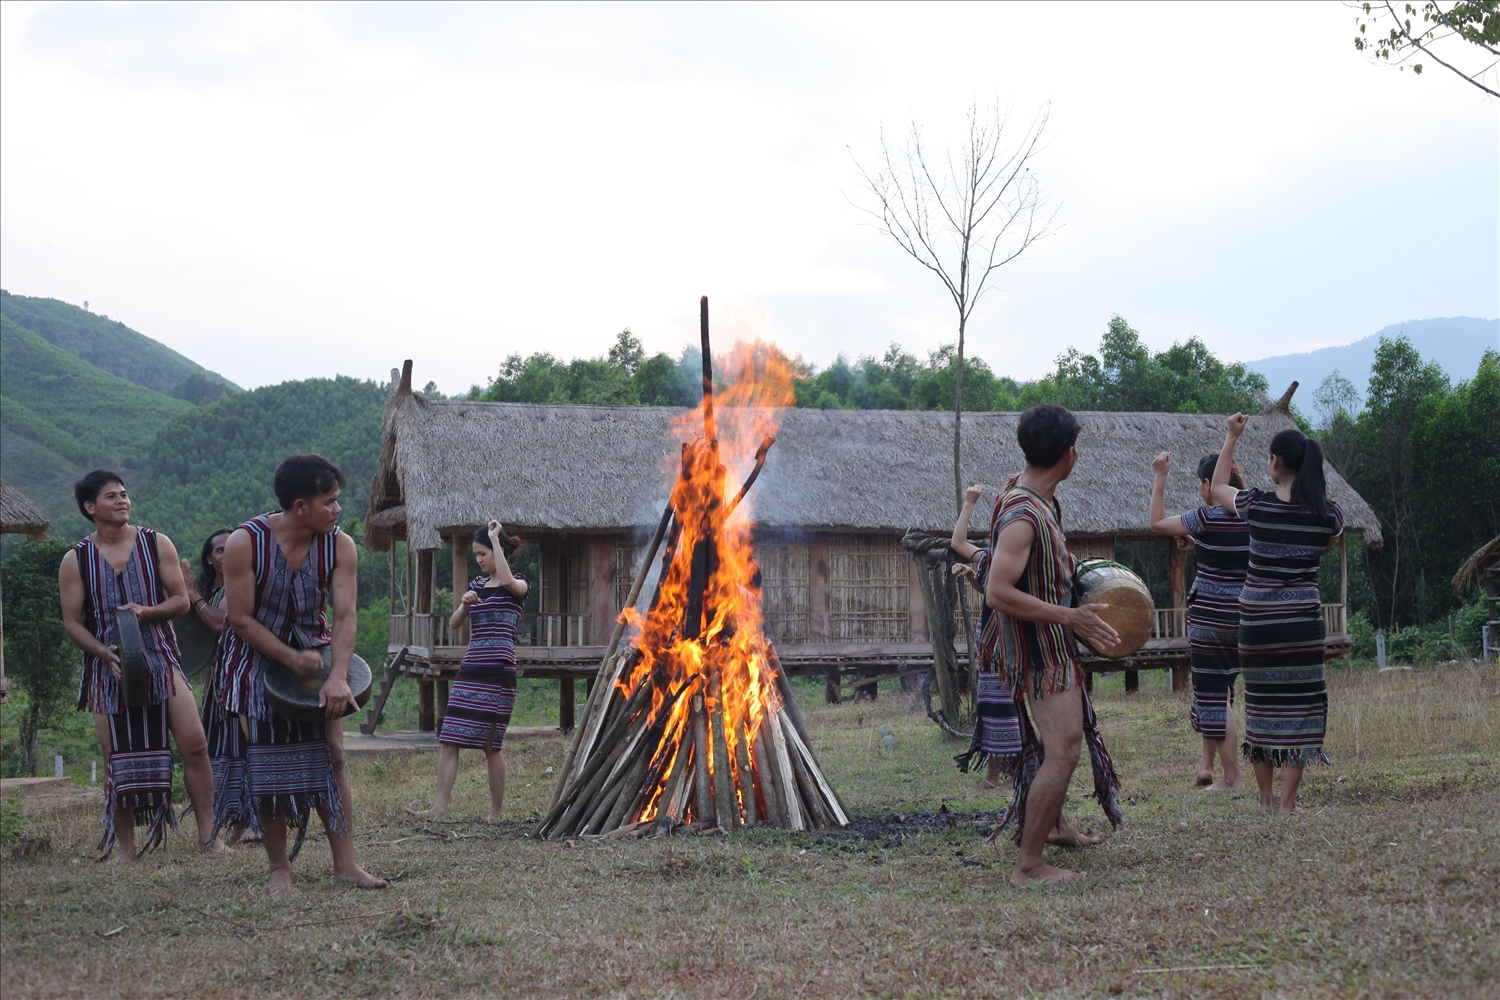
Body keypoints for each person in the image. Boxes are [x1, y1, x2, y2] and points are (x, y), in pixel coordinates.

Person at [220, 454, 385, 891]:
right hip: (255, 660)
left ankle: (346, 864)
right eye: (329, 502)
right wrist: (290, 659)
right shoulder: (244, 543)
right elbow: (238, 618)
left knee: (333, 758)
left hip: (318, 653)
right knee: (266, 762)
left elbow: (346, 616)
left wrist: (337, 675)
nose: (337, 509)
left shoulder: (341, 545)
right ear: (300, 507)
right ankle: (280, 868)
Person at [981, 405, 1124, 886]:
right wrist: (1072, 616)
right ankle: (1029, 865)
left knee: (1055, 744)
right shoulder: (1024, 515)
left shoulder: (1026, 491)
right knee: (1063, 749)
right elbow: (997, 591)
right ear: (1070, 454)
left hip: (1047, 645)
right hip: (1043, 653)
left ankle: (1057, 826)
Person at [57, 471, 225, 859]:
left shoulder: (155, 543)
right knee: (115, 758)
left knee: (196, 746)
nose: (122, 501)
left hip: (161, 658)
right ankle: (125, 848)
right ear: (89, 507)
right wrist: (104, 653)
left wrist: (146, 611)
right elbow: (72, 623)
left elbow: (181, 601)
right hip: (106, 667)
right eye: (111, 496)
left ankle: (209, 837)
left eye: (124, 494)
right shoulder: (75, 559)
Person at [1210, 416, 1343, 815]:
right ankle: (1288, 804)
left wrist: (1232, 437)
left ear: (1274, 463)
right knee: (1302, 706)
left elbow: (1218, 488)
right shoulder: (1327, 515)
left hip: (1257, 625)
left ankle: (1266, 800)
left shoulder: (1257, 505)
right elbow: (1326, 547)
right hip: (1301, 625)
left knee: (1262, 706)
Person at [410, 520, 529, 820]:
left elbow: (505, 582)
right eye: (475, 555)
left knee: (492, 745)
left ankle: (496, 812)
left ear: (497, 552)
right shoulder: (476, 586)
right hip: (472, 669)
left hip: (498, 673)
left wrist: (494, 538)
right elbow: (454, 624)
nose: (478, 560)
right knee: (449, 738)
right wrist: (464, 604)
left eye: (483, 553)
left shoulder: (518, 585)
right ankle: (438, 809)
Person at [1150, 452, 1249, 792]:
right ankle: (1208, 766)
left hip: (1210, 617)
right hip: (1246, 617)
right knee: (1223, 691)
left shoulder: (1206, 518)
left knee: (1213, 695)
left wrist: (1160, 475)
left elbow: (1157, 523)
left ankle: (1232, 777)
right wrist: (1198, 548)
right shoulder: (1252, 517)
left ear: (1210, 484)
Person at [180, 529, 261, 844]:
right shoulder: (215, 594)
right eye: (219, 550)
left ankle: (256, 823)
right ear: (210, 561)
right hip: (220, 687)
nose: (227, 553)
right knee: (224, 753)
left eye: (232, 547)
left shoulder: (247, 587)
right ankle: (237, 825)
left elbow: (221, 624)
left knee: (248, 750)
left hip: (247, 681)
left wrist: (192, 594)